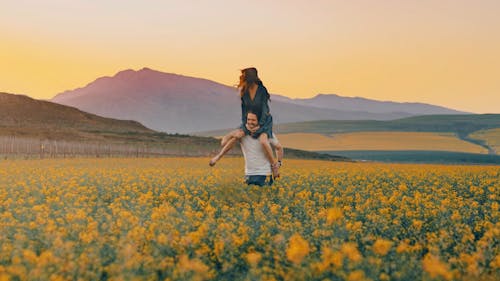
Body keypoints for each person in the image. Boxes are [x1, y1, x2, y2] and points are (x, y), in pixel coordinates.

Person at [209, 67, 282, 178]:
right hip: (249, 120)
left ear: (250, 77)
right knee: (236, 137)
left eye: (243, 76)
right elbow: (244, 110)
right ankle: (218, 157)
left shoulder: (262, 90)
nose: (241, 79)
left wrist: (260, 125)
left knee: (263, 141)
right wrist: (246, 124)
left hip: (263, 121)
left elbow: (265, 109)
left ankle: (274, 166)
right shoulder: (244, 91)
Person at [240, 111, 283, 186]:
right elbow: (279, 148)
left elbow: (227, 141)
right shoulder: (267, 133)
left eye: (252, 120)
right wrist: (278, 163)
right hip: (264, 173)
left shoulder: (242, 133)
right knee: (264, 197)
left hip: (249, 174)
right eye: (249, 119)